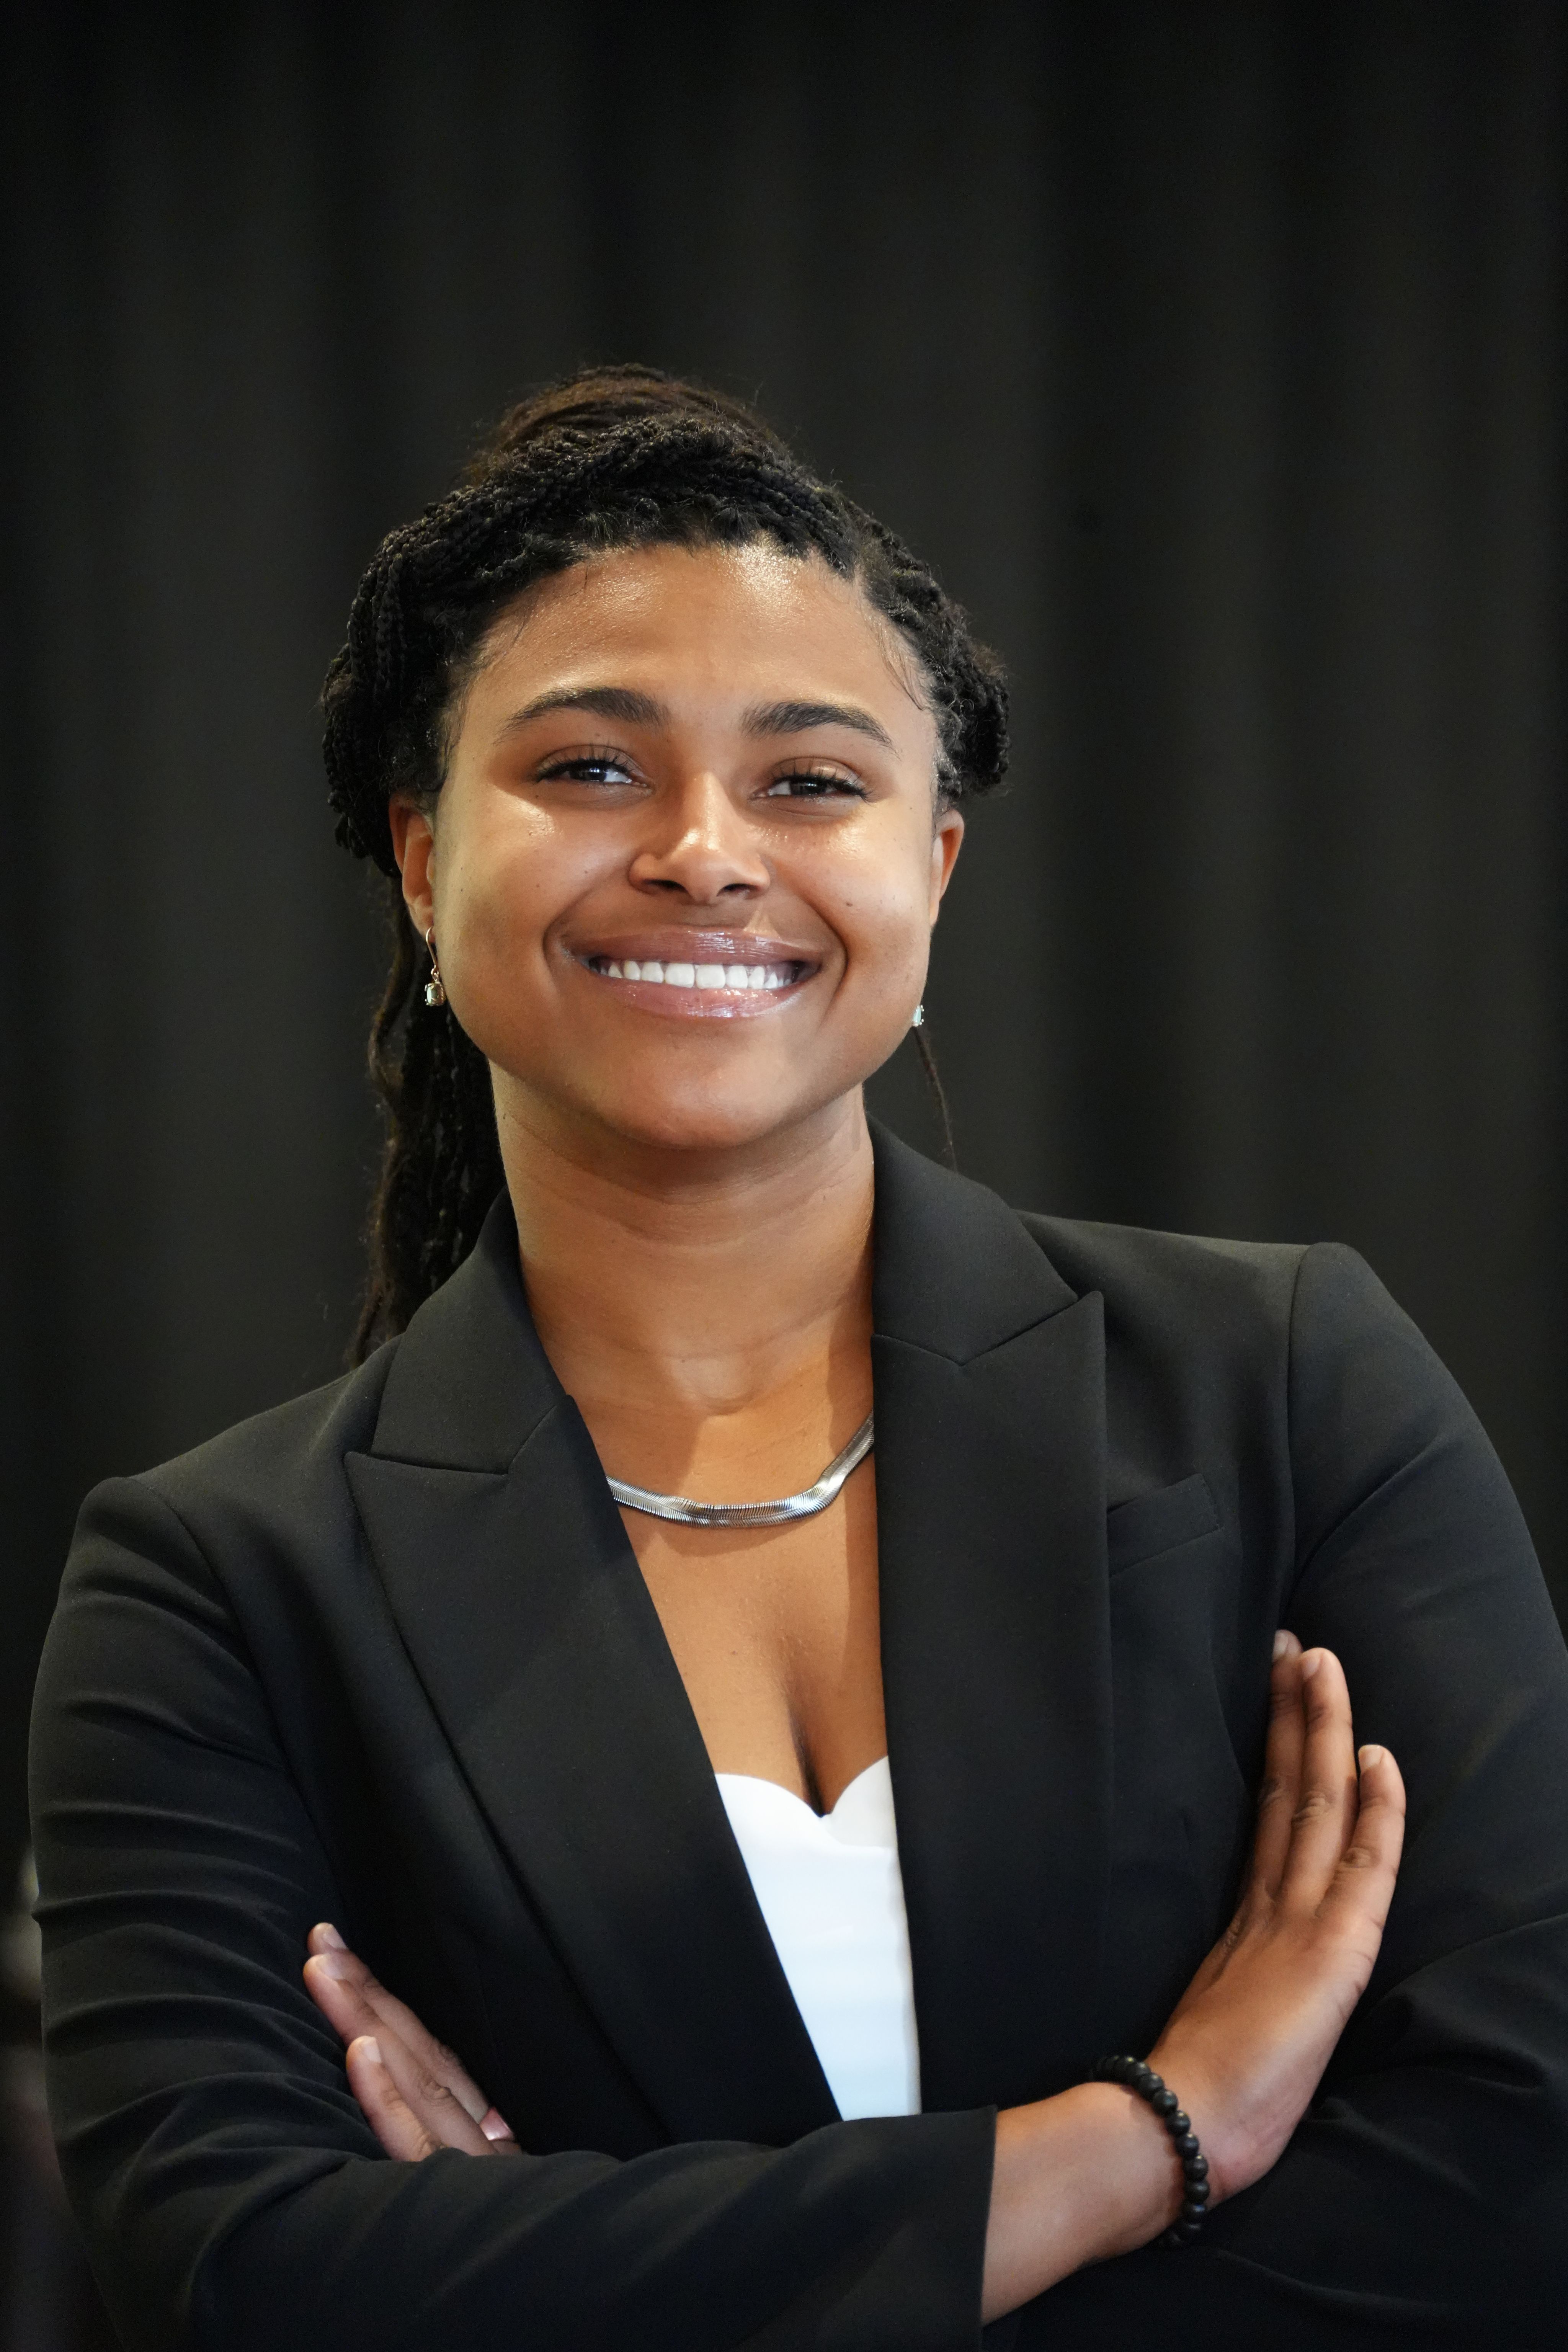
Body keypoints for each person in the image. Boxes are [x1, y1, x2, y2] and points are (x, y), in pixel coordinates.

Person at [29, 368, 1568, 2352]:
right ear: (421, 863)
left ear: (932, 864)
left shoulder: (1288, 1387)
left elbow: (1516, 2177)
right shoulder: (217, 1587)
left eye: (811, 781)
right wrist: (1146, 2140)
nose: (700, 850)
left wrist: (611, 2284)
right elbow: (246, 2279)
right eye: (588, 768)